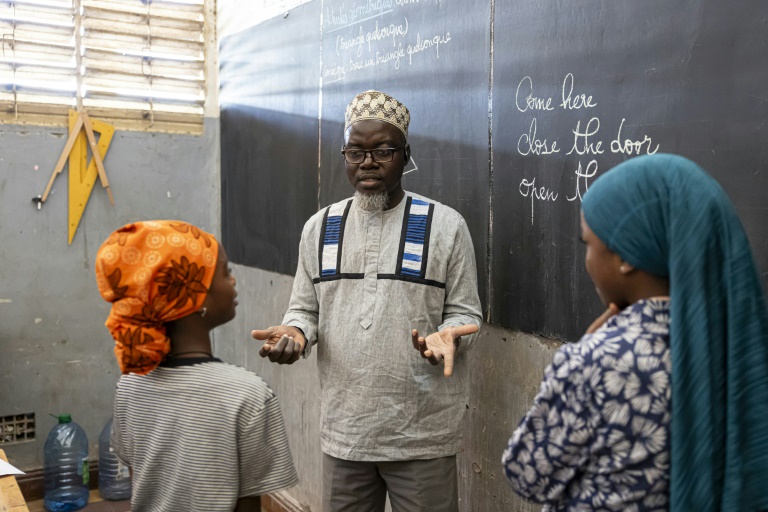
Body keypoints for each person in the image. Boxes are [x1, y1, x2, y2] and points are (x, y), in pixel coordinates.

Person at [252, 90, 482, 511]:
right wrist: (295, 334)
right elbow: (304, 310)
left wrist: (450, 337)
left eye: (383, 150)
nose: (368, 162)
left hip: (422, 435)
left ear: (406, 154)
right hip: (345, 434)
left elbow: (465, 312)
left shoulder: (447, 226)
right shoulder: (319, 228)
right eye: (356, 152)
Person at [502, 154, 768, 511]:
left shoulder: (597, 362)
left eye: (588, 244)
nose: (587, 262)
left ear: (626, 257)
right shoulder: (739, 350)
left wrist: (578, 357)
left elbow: (526, 474)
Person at [95, 220, 298, 512]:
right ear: (194, 296)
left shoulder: (130, 383)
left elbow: (140, 481)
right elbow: (248, 505)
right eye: (225, 272)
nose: (233, 281)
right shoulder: (247, 396)